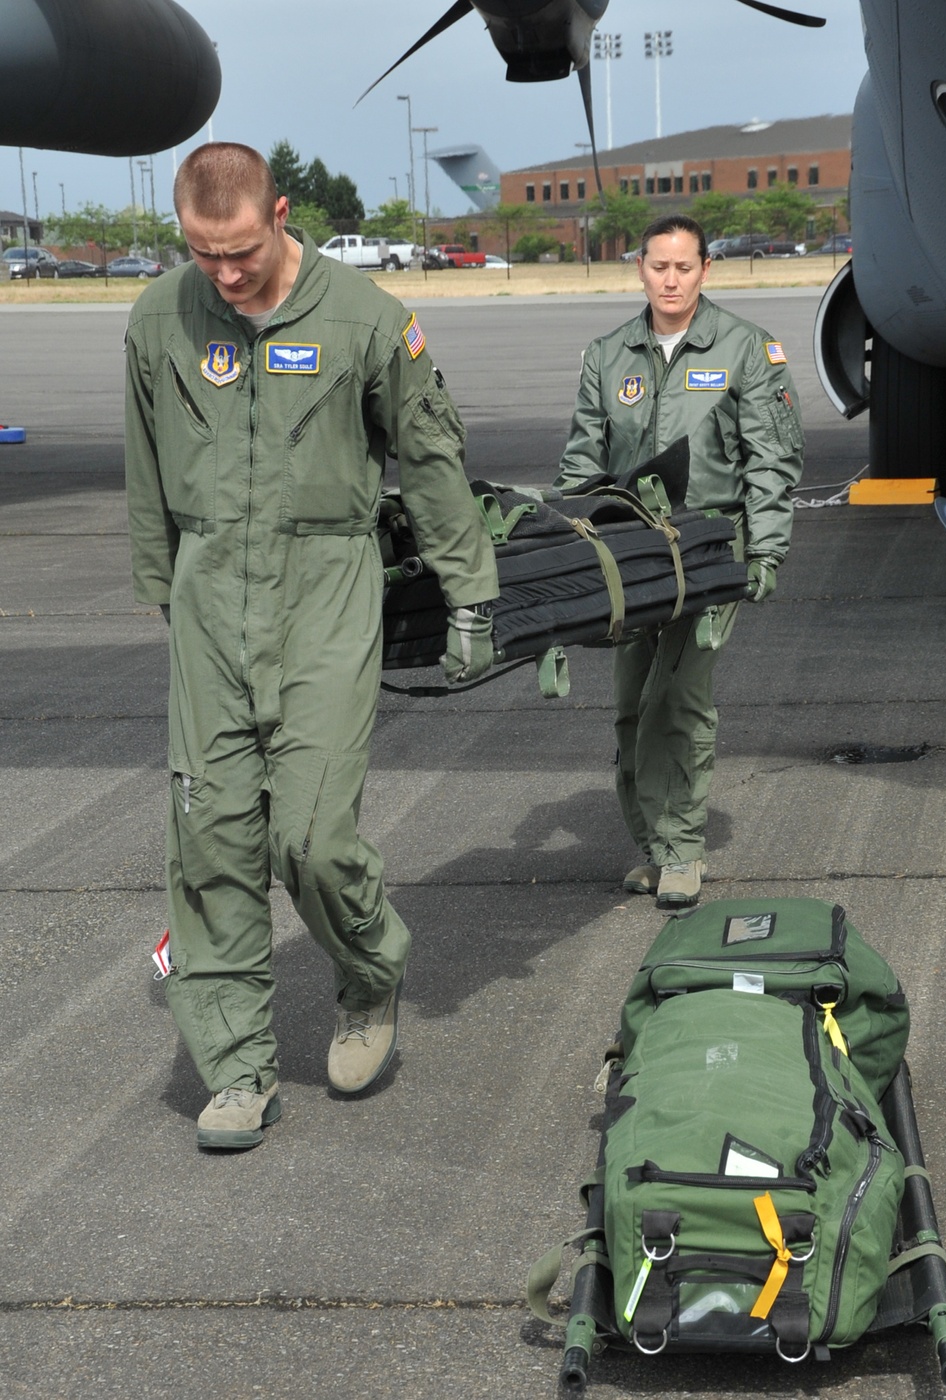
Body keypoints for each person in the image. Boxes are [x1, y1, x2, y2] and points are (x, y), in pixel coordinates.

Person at [125, 143, 498, 1150]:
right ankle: (240, 1069)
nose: (226, 274)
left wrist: (471, 592)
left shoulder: (368, 321)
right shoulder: (160, 317)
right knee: (210, 845)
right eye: (204, 254)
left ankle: (370, 972)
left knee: (311, 839)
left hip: (325, 594)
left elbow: (428, 459)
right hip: (208, 605)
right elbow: (146, 460)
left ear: (280, 213)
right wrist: (165, 592)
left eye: (241, 251)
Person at [554, 214, 803, 910]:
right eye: (658, 266)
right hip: (630, 556)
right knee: (632, 705)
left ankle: (684, 849)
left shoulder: (748, 348)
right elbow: (582, 462)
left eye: (684, 267)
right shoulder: (608, 355)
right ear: (639, 267)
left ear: (705, 270)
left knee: (681, 701)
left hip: (709, 551)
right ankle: (656, 845)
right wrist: (573, 549)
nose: (671, 278)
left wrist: (768, 550)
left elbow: (773, 460)